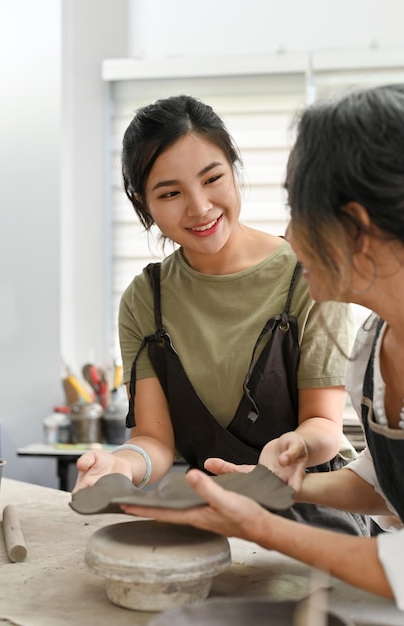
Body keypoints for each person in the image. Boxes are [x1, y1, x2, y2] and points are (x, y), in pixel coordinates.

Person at [118, 84, 404, 609]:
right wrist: (267, 486)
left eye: (299, 208)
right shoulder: (377, 340)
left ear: (358, 224)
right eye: (170, 191)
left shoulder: (304, 285)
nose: (289, 234)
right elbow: (382, 483)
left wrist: (265, 520)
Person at [74, 94, 367, 535]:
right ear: (143, 203)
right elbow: (155, 442)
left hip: (314, 507)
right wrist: (120, 464)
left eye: (212, 179)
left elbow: (323, 425)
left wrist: (293, 448)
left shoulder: (308, 273)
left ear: (234, 170)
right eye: (170, 193)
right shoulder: (144, 300)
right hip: (215, 515)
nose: (199, 207)